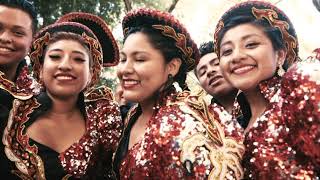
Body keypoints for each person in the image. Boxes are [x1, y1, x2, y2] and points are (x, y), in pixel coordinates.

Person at [113, 8, 244, 179]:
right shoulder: (132, 115)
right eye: (123, 59)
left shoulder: (184, 121)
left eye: (139, 59)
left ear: (172, 67)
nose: (125, 70)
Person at [2, 12, 122, 179]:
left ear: (91, 74)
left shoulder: (106, 119)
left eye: (78, 59)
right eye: (55, 57)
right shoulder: (8, 113)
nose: (65, 65)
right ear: (40, 69)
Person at [214, 1, 320, 179]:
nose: (237, 56)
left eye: (251, 44)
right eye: (227, 51)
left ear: (279, 55)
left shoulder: (300, 86)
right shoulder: (231, 130)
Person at [195, 41, 250, 128]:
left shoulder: (263, 96)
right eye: (202, 72)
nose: (209, 71)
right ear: (201, 86)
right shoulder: (205, 124)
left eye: (216, 63)